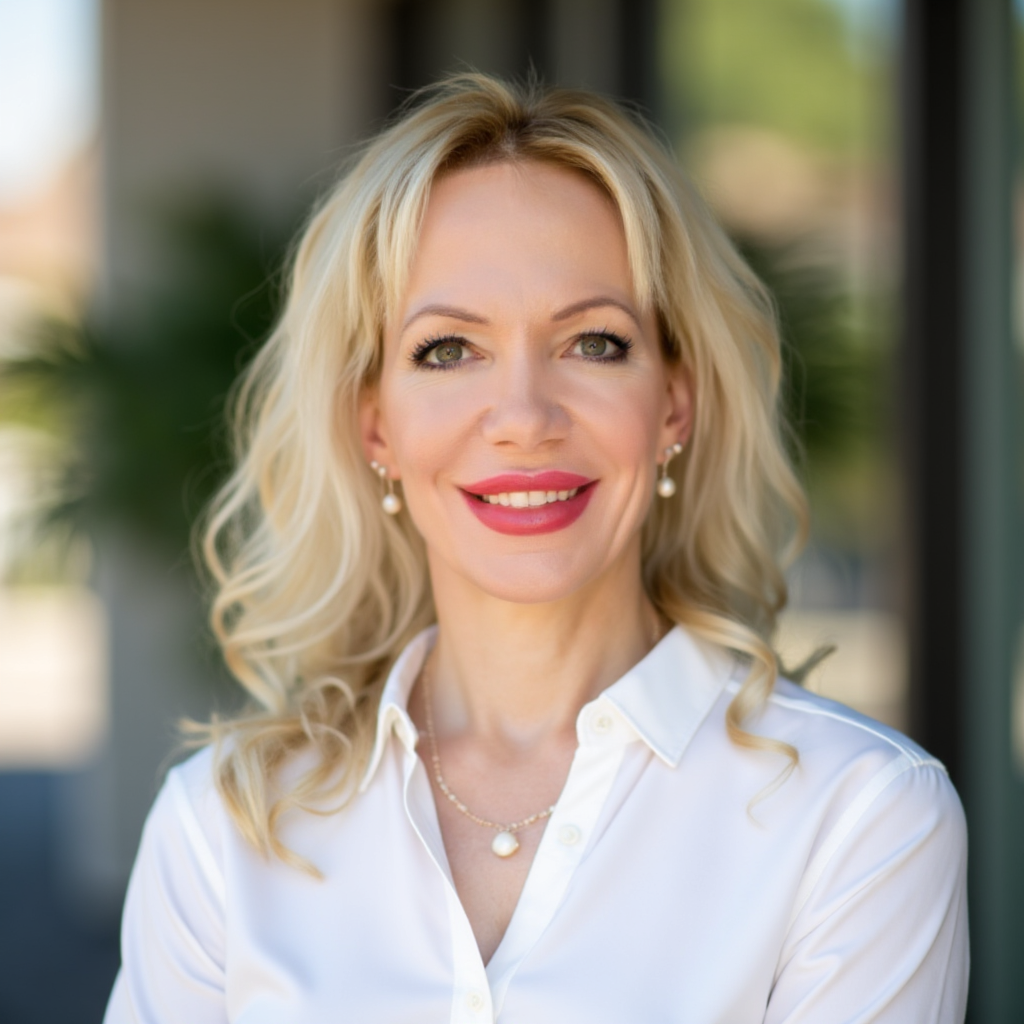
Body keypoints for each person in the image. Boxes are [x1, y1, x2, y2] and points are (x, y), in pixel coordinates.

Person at [103, 74, 968, 1023]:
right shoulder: (222, 833)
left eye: (594, 343)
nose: (523, 419)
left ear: (673, 403)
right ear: (374, 426)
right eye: (447, 350)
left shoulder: (861, 821)